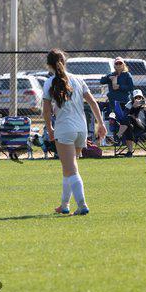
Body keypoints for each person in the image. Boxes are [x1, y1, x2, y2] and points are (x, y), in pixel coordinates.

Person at [43, 49, 107, 216]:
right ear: (64, 61)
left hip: (65, 129)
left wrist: (49, 129)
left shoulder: (49, 82)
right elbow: (93, 102)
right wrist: (101, 123)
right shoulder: (78, 79)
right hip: (81, 129)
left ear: (49, 65)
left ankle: (82, 205)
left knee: (71, 170)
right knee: (68, 168)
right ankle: (64, 205)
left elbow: (46, 110)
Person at [113, 89, 146, 157]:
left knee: (129, 122)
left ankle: (118, 136)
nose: (138, 99)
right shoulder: (129, 104)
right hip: (131, 125)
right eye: (136, 97)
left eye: (140, 97)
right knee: (128, 123)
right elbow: (124, 117)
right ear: (133, 98)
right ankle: (129, 152)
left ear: (142, 98)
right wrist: (133, 107)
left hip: (142, 126)